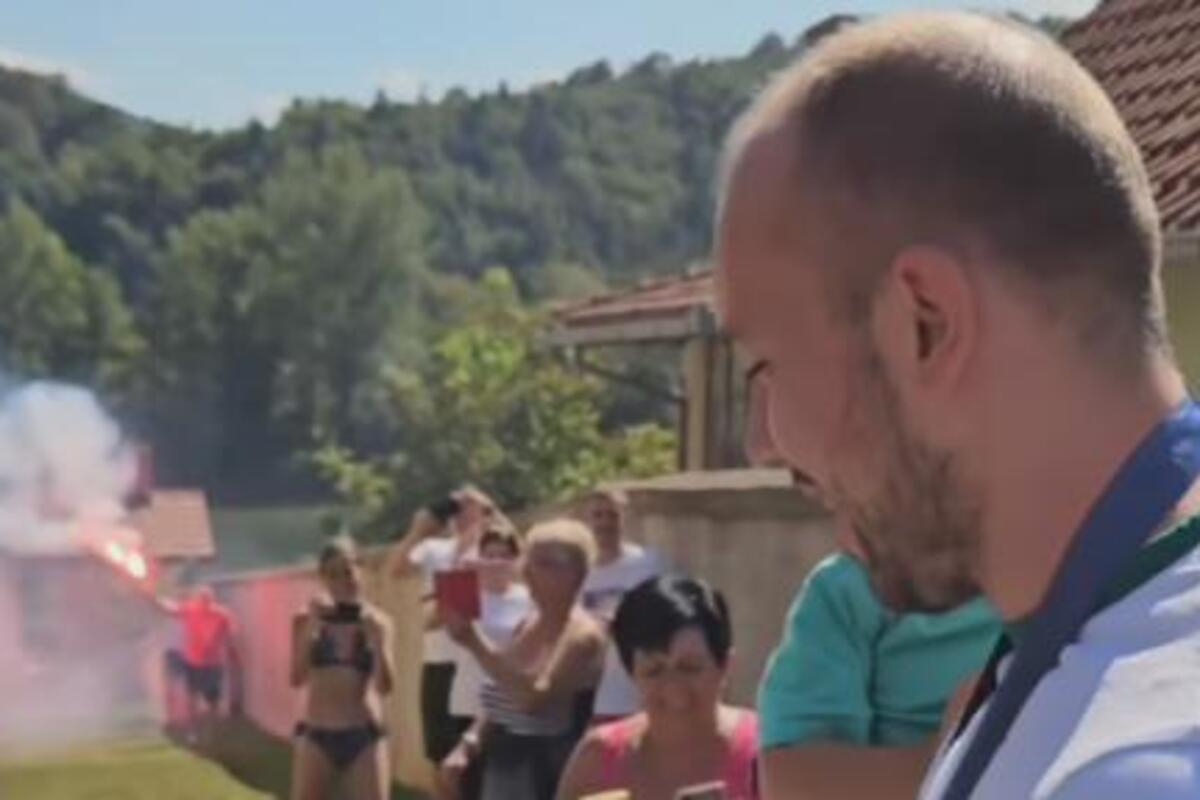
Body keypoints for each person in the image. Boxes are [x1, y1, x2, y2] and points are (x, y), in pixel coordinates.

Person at [717, 9, 1200, 798]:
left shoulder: (1134, 767)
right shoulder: (1081, 645)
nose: (764, 445)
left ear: (926, 324)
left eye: (768, 367)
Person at [746, 371, 1001, 798]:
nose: (845, 534)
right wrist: (950, 759)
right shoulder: (847, 593)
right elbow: (794, 779)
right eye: (822, 494)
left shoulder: (1074, 573)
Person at [442, 519, 606, 800]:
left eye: (542, 563)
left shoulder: (583, 634)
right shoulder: (528, 623)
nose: (527, 571)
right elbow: (502, 689)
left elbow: (533, 698)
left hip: (548, 772)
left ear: (576, 573)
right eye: (528, 560)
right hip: (504, 763)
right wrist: (467, 744)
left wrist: (473, 641)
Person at [557, 576, 759, 800]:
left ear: (725, 667)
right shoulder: (598, 761)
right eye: (654, 671)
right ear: (631, 675)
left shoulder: (767, 753)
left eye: (690, 668)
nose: (675, 692)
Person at [387, 487, 496, 767]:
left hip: (477, 661)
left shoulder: (494, 551)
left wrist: (487, 510)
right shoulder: (435, 549)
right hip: (438, 660)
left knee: (477, 753)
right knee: (439, 753)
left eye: (468, 508)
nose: (460, 513)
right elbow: (396, 569)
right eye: (456, 508)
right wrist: (418, 529)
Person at [290, 538, 396, 800]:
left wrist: (377, 642)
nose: (342, 581)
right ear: (323, 578)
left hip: (363, 734)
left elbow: (385, 687)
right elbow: (296, 678)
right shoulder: (305, 619)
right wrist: (312, 630)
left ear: (360, 571)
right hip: (317, 732)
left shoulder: (379, 622)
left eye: (348, 572)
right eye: (333, 574)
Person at [438, 524, 534, 800]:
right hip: (467, 699)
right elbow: (439, 617)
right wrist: (463, 568)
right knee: (468, 785)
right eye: (489, 555)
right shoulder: (470, 594)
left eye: (503, 555)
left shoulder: (526, 598)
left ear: (515, 560)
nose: (495, 562)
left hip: (507, 703)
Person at [579, 489, 665, 723]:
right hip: (588, 693)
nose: (605, 523)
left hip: (637, 694)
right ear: (587, 520)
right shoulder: (577, 569)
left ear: (626, 518)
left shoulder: (647, 563)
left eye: (613, 515)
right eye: (598, 515)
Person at [156, 585, 239, 736]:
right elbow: (170, 608)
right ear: (197, 599)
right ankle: (193, 731)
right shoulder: (191, 609)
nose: (203, 603)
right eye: (201, 599)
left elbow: (230, 636)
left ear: (212, 600)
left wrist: (232, 653)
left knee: (213, 701)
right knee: (192, 699)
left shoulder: (222, 615)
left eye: (206, 599)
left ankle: (213, 732)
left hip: (213, 664)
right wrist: (155, 597)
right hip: (193, 662)